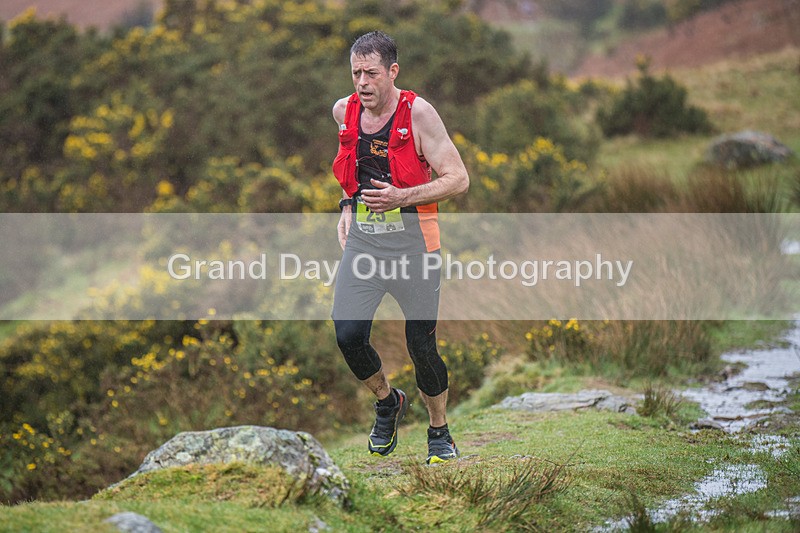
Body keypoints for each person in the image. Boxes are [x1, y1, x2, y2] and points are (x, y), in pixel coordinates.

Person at [331, 31, 469, 464]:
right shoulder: (344, 112)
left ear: (392, 71)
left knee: (421, 346)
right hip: (364, 246)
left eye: (371, 73)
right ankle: (388, 401)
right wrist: (347, 206)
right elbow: (356, 172)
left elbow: (458, 179)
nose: (362, 82)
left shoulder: (420, 114)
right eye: (356, 73)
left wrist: (401, 198)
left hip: (416, 247)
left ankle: (439, 431)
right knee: (348, 334)